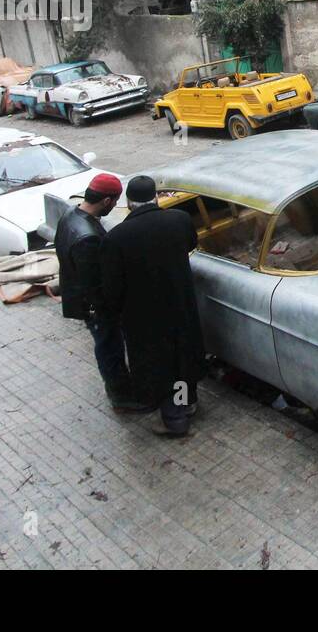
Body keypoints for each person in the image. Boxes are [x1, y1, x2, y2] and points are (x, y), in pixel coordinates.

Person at [101, 175, 205, 436]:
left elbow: (113, 285)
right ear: (156, 197)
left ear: (128, 202)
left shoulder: (117, 238)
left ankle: (175, 420)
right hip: (180, 305)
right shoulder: (179, 220)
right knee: (182, 357)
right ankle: (187, 403)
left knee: (160, 365)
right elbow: (191, 244)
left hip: (144, 316)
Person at [55, 173, 145, 410]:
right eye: (114, 202)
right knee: (110, 350)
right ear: (106, 201)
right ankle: (122, 397)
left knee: (107, 347)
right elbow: (95, 285)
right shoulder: (88, 239)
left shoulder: (69, 216)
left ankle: (119, 388)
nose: (115, 206)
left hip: (80, 300)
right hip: (95, 309)